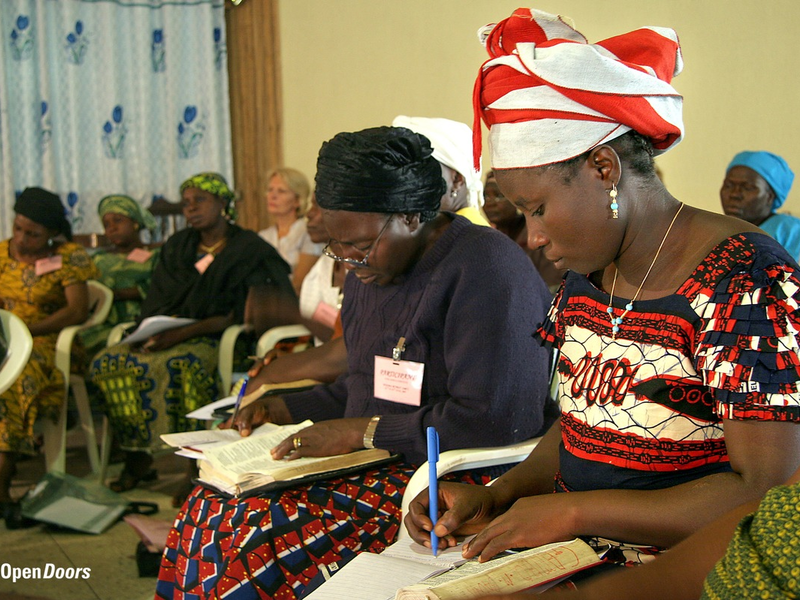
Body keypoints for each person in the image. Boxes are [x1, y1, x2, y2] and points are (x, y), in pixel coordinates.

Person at [404, 7, 800, 578]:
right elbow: (583, 424)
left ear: (603, 167)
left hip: (678, 573)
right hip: (568, 555)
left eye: (538, 209)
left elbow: (767, 490)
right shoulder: (590, 272)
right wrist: (500, 494)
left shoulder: (744, 280)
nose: (533, 237)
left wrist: (573, 512)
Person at [155, 126, 555, 600]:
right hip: (375, 457)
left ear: (411, 215)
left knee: (252, 529)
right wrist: (287, 406)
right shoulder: (371, 273)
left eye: (360, 246)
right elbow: (370, 385)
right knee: (207, 503)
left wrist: (360, 432)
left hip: (451, 482)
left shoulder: (486, 268)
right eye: (335, 245)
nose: (347, 261)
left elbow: (496, 418)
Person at [91, 173, 297, 496]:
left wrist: (181, 334)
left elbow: (236, 315)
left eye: (200, 200)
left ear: (222, 202)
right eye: (186, 202)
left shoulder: (248, 248)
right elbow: (158, 298)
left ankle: (193, 467)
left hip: (218, 337)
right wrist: (151, 330)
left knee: (183, 366)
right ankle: (136, 457)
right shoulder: (179, 246)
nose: (190, 208)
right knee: (108, 362)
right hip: (170, 331)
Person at [474, 464, 800, 600]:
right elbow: (764, 522)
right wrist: (499, 494)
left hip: (641, 554)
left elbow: (759, 487)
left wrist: (574, 512)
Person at [0, 187, 97, 527]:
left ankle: (2, 485)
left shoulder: (69, 256)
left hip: (47, 345)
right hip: (5, 340)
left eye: (33, 234)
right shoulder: (1, 254)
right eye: (18, 228)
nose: (21, 239)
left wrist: (27, 331)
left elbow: (76, 311)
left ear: (52, 233)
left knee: (13, 381)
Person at [78, 195, 160, 358]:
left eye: (118, 220)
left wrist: (117, 294)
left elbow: (161, 289)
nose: (112, 228)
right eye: (106, 224)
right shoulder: (98, 259)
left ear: (135, 223)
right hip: (100, 321)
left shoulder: (155, 255)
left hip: (140, 322)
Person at [392, 115, 489, 226]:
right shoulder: (435, 227)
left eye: (420, 171)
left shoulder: (471, 233)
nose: (406, 180)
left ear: (457, 180)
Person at [483, 170, 565, 292]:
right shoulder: (489, 238)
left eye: (499, 196)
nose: (490, 203)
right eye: (485, 196)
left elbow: (552, 289)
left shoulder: (538, 236)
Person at [720, 150, 800, 260]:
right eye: (729, 185)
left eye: (748, 188)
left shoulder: (790, 232)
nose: (734, 194)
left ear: (770, 197)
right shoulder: (718, 232)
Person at [258, 167, 322, 292]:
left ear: (297, 200)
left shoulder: (309, 233)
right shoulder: (262, 236)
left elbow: (299, 283)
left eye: (281, 191)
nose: (272, 196)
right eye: (270, 190)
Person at [298, 194, 345, 343]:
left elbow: (349, 343)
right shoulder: (320, 269)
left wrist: (290, 314)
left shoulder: (370, 271)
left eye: (318, 206)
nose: (308, 214)